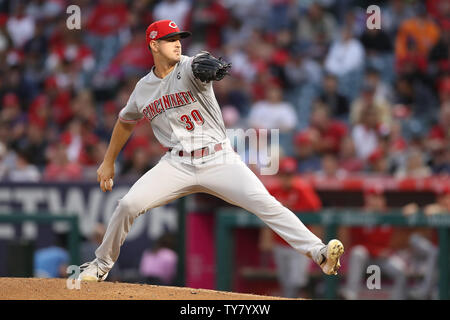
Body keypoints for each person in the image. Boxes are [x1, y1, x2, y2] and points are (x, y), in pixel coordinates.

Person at [78, 20, 344, 282]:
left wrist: (210, 68)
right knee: (127, 205)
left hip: (219, 159)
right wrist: (108, 161)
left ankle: (319, 253)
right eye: (170, 39)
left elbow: (202, 63)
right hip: (176, 163)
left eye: (179, 38)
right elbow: (125, 121)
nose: (177, 44)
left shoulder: (190, 66)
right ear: (154, 45)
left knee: (267, 205)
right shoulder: (142, 88)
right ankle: (101, 265)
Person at [259, 157, 322, 298]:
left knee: (297, 282)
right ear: (280, 175)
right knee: (285, 283)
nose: (287, 178)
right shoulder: (273, 190)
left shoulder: (303, 190)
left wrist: (316, 244)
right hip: (280, 243)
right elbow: (265, 216)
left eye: (290, 175)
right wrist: (266, 239)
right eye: (284, 175)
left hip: (300, 245)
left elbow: (317, 216)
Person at [340, 185, 408, 300]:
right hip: (365, 258)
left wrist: (407, 211)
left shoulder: (389, 215)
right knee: (358, 252)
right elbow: (355, 245)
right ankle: (351, 294)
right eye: (373, 198)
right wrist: (376, 250)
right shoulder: (359, 216)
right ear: (367, 200)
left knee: (401, 269)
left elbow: (395, 241)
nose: (376, 201)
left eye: (379, 198)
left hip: (383, 259)